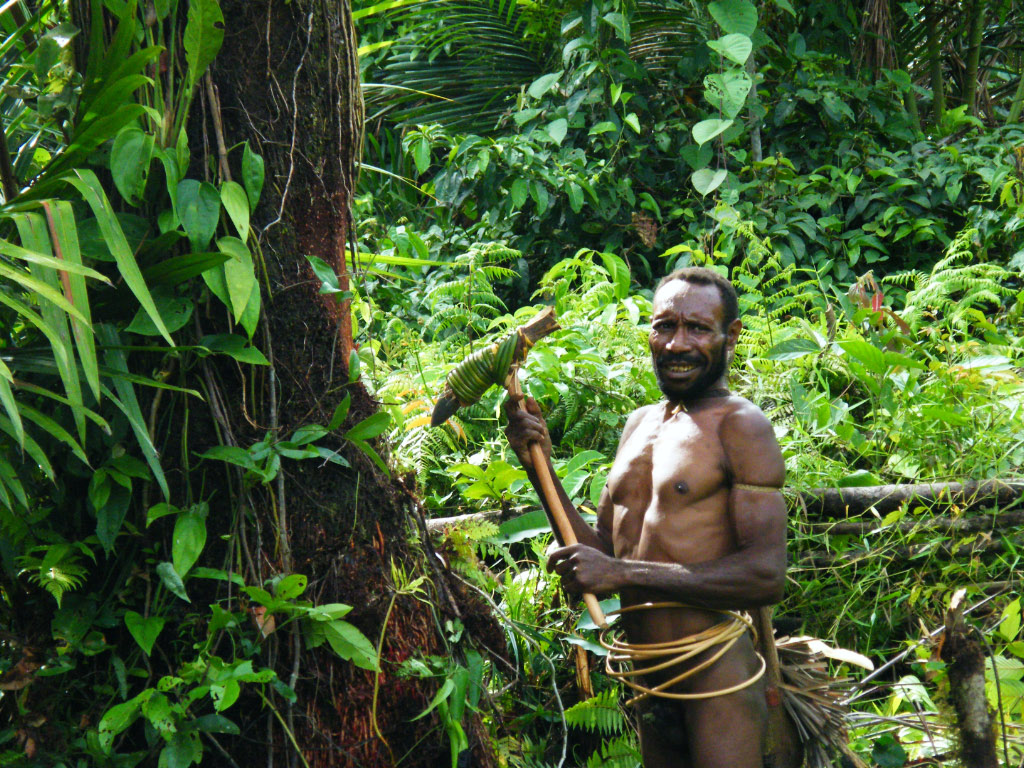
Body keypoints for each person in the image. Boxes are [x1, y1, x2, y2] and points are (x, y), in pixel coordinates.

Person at [505, 267, 788, 768]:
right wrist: (539, 465)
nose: (678, 343)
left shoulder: (742, 426)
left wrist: (622, 574)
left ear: (732, 335)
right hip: (648, 679)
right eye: (665, 326)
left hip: (714, 678)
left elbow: (764, 574)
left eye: (698, 328)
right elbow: (604, 554)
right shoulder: (639, 424)